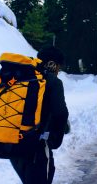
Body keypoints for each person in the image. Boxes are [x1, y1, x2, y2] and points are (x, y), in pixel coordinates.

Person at [10, 47, 69, 184]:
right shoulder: (53, 82)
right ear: (52, 64)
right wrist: (55, 140)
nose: (59, 71)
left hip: (13, 144)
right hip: (36, 147)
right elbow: (61, 113)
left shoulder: (22, 77)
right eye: (59, 67)